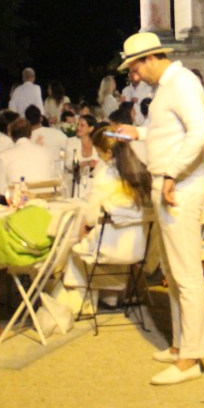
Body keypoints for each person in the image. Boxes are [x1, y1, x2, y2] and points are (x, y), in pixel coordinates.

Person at [116, 31, 204, 387]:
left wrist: (171, 173)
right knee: (173, 271)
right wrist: (138, 134)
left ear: (151, 58)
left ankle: (191, 358)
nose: (134, 75)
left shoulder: (181, 83)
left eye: (135, 67)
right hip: (170, 183)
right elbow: (166, 131)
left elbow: (199, 133)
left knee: (186, 273)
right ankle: (180, 346)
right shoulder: (166, 88)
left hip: (180, 186)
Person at [64, 124, 156, 298]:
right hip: (139, 247)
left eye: (99, 153)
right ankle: (115, 296)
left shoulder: (105, 176)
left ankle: (84, 298)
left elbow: (91, 217)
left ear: (107, 152)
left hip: (108, 248)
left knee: (74, 242)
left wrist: (84, 229)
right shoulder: (142, 172)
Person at [0, 117, 55, 196]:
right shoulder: (46, 153)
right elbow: (53, 180)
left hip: (19, 201)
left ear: (11, 135)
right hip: (45, 200)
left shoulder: (4, 157)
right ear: (30, 134)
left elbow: (1, 189)